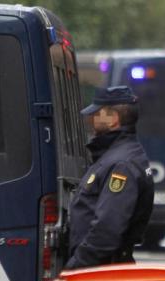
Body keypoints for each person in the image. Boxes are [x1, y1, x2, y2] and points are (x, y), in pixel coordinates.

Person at [65, 86, 154, 269]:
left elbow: (107, 229)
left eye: (98, 113)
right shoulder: (118, 155)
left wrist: (75, 267)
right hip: (102, 267)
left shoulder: (121, 164)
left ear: (113, 119)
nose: (92, 119)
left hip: (100, 270)